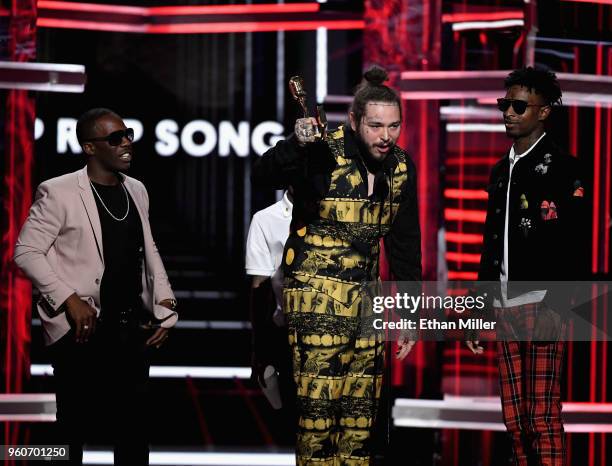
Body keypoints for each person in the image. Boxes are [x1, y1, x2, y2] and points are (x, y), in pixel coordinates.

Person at [253, 66, 422, 465]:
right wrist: (296, 142)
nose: (386, 136)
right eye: (376, 126)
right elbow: (262, 174)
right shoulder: (320, 149)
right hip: (317, 304)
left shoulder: (400, 167)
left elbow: (404, 246)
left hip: (369, 309)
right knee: (317, 423)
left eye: (394, 126)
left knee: (361, 427)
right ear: (354, 120)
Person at [14, 108, 178, 466]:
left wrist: (166, 308)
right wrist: (68, 298)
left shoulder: (137, 190)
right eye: (115, 138)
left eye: (128, 134)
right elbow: (25, 252)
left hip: (129, 329)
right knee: (72, 432)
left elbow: (147, 249)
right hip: (80, 333)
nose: (127, 143)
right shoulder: (58, 192)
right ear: (90, 147)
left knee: (134, 434)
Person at [469, 67, 587, 466]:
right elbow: (490, 245)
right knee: (515, 419)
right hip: (503, 305)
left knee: (542, 417)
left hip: (542, 304)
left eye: (519, 106)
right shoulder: (500, 171)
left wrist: (559, 306)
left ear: (544, 112)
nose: (508, 113)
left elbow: (574, 246)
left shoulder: (564, 168)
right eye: (506, 104)